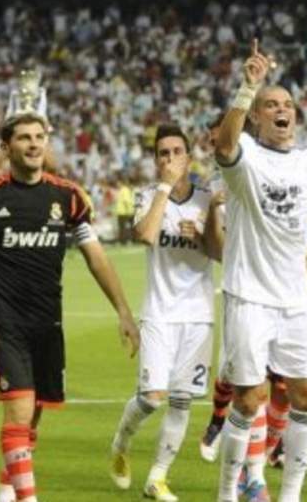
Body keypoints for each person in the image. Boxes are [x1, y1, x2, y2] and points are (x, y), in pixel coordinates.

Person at [0, 81, 140, 502]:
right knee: (19, 409)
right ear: (6, 147)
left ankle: (6, 493)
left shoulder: (69, 198)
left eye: (40, 137)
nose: (34, 144)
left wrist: (124, 312)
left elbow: (96, 257)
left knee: (31, 417)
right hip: (2, 319)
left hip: (47, 320)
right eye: (24, 137)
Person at [213, 40, 307, 502]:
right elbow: (224, 144)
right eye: (271, 105)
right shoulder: (246, 154)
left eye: (287, 104)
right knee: (248, 401)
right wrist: (248, 87)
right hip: (249, 293)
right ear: (257, 116)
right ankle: (228, 494)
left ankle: (290, 496)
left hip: (296, 297)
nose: (281, 110)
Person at [108, 125, 224, 501]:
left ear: (189, 157)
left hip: (199, 314)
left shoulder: (208, 199)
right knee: (152, 397)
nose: (170, 158)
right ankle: (121, 441)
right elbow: (144, 233)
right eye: (163, 153)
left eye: (177, 151)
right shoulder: (147, 195)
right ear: (156, 160)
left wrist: (202, 236)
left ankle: (157, 478)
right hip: (159, 312)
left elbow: (221, 254)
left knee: (182, 400)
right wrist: (163, 187)